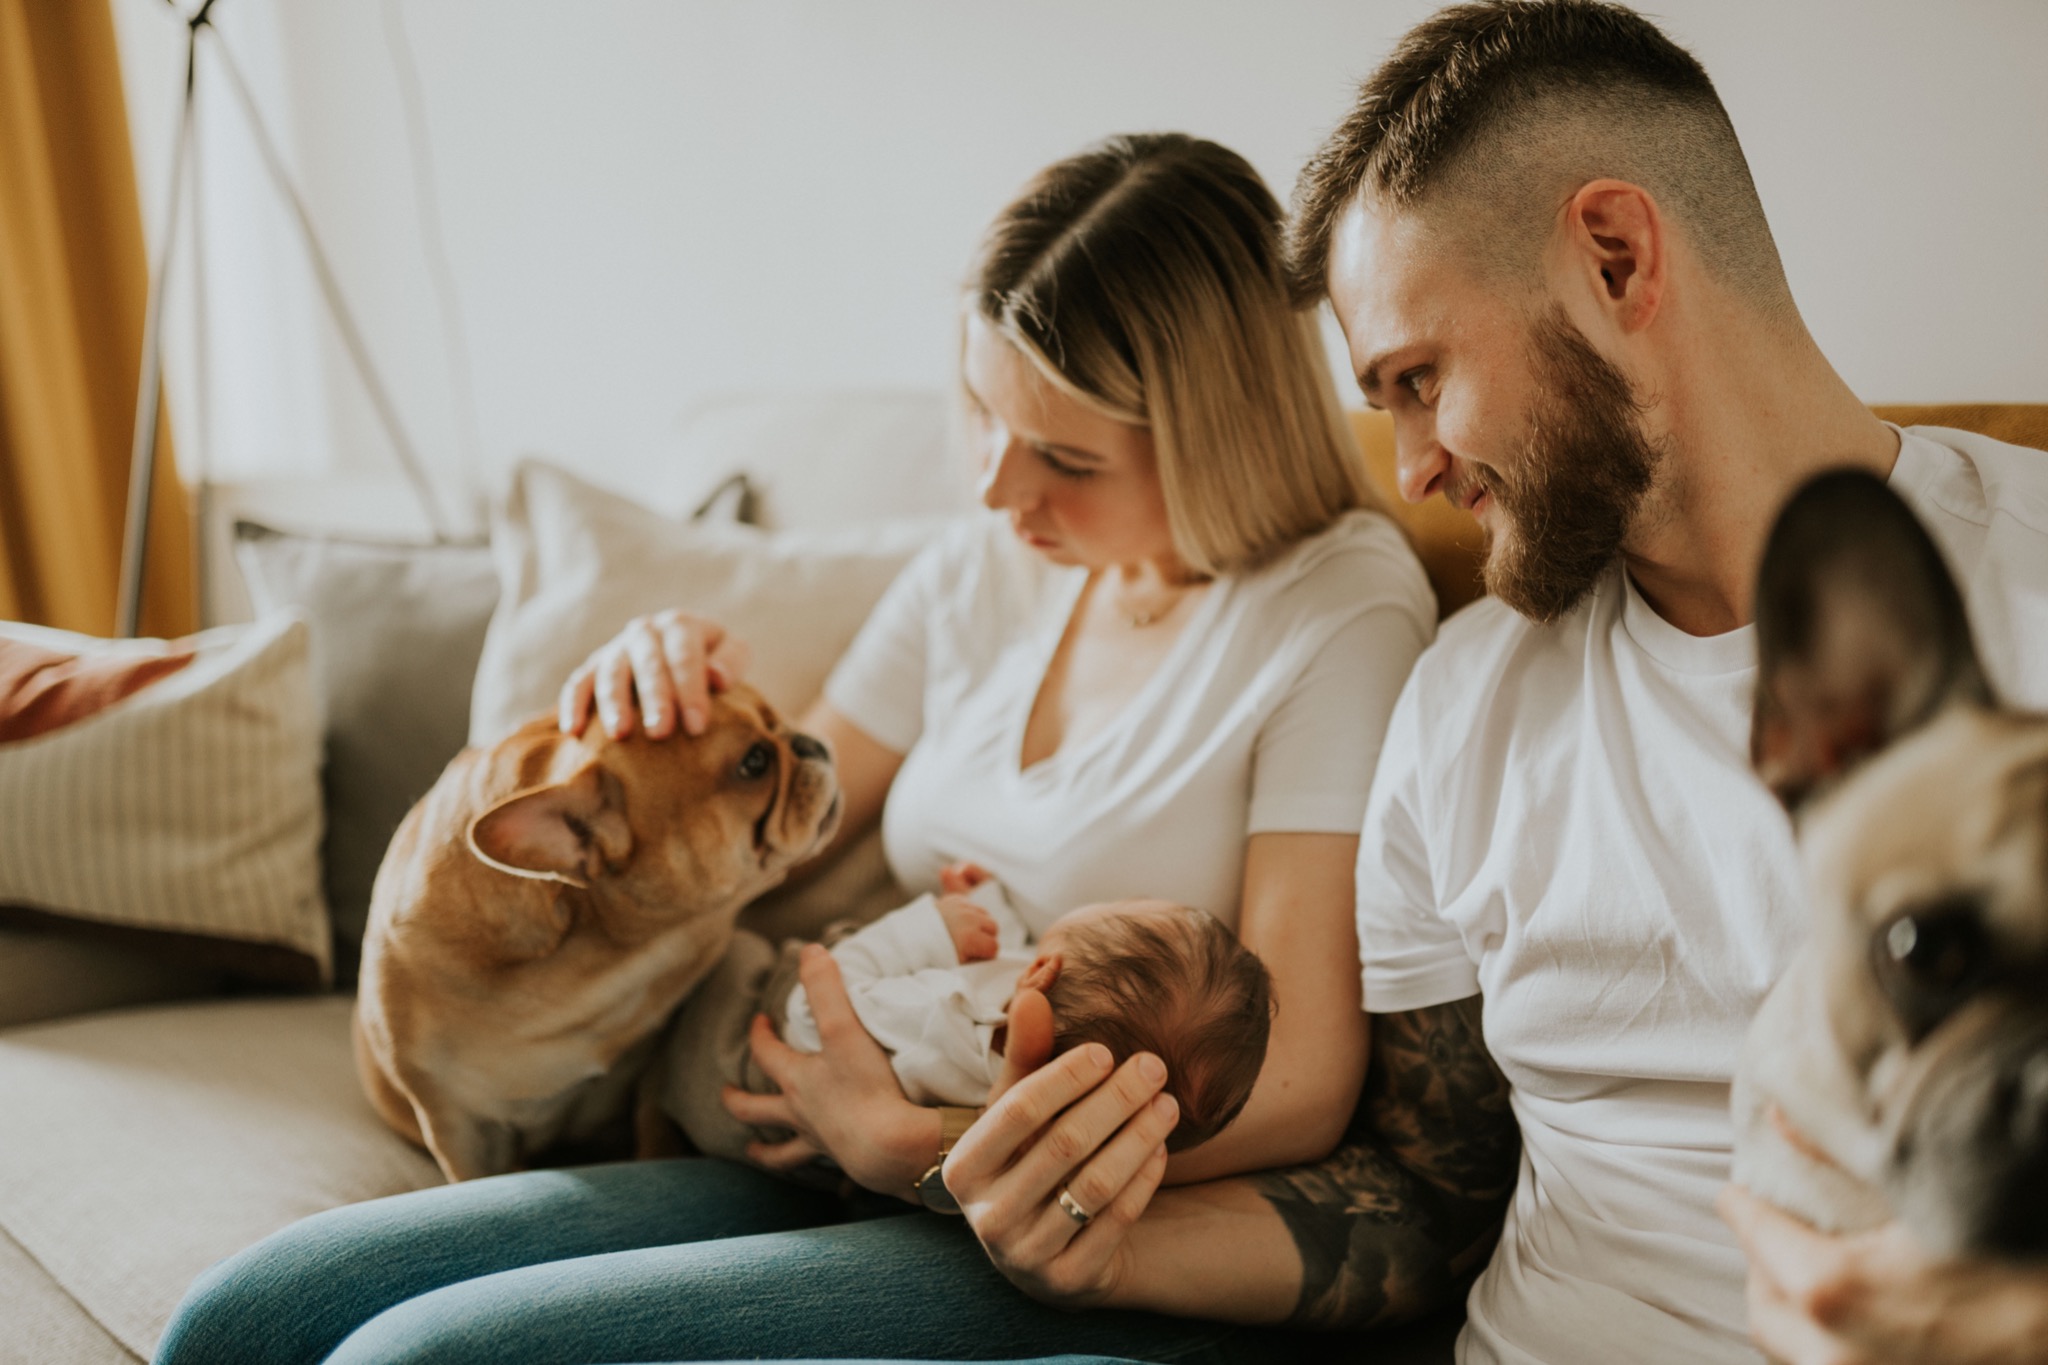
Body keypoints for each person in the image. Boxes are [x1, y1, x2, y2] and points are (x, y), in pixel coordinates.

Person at [151, 131, 1436, 1365]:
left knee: (412, 1359)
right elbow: (762, 807)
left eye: (1060, 455)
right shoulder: (990, 568)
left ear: (1216, 436)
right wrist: (648, 689)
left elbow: (1306, 1077)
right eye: (983, 419)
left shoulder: (1333, 608)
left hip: (1040, 1218)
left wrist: (920, 1145)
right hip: (801, 1131)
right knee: (246, 1321)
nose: (995, 490)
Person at [923, 4, 2048, 1364]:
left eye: (1417, 379)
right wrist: (1104, 1245)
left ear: (1617, 259)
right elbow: (1428, 1198)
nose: (1408, 474)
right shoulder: (1463, 700)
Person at [664, 863, 1274, 1165]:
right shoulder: (1030, 1026)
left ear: (1041, 971)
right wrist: (979, 907)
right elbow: (1001, 968)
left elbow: (818, 1015)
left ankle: (649, 1085)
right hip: (839, 1070)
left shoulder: (951, 1027)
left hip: (750, 1056)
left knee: (720, 955)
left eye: (1121, 904)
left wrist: (928, 930)